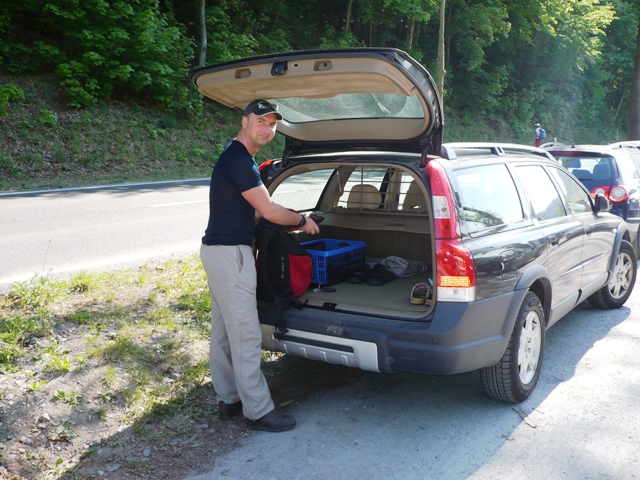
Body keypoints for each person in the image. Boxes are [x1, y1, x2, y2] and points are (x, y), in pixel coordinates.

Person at [200, 99, 319, 433]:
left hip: (217, 252)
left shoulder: (235, 157)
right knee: (246, 334)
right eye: (261, 121)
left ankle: (229, 398)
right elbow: (267, 211)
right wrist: (302, 220)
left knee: (224, 331)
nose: (267, 129)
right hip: (231, 256)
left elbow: (251, 210)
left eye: (272, 125)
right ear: (245, 121)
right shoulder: (240, 162)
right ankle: (259, 410)